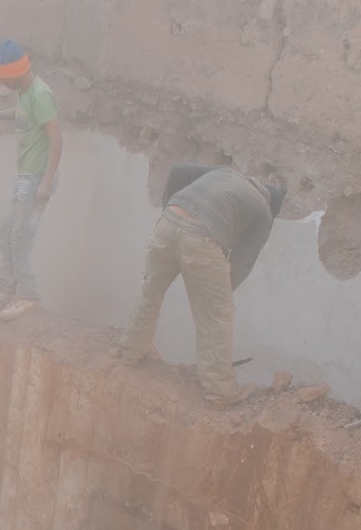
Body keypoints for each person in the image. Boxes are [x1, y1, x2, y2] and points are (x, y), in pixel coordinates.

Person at [119, 163, 286, 408]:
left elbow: (178, 171)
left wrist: (169, 210)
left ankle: (130, 350)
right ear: (272, 205)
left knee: (150, 292)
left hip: (167, 222)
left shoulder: (225, 173)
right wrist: (219, 297)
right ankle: (219, 389)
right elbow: (241, 263)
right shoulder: (263, 213)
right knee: (217, 315)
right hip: (201, 238)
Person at [0, 39, 63, 321]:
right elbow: (19, 115)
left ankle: (27, 295)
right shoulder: (24, 92)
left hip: (36, 179)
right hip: (26, 177)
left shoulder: (40, 95)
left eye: (2, 79)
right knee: (6, 230)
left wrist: (47, 182)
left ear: (14, 73)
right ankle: (8, 287)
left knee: (20, 238)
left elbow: (57, 138)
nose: (1, 85)